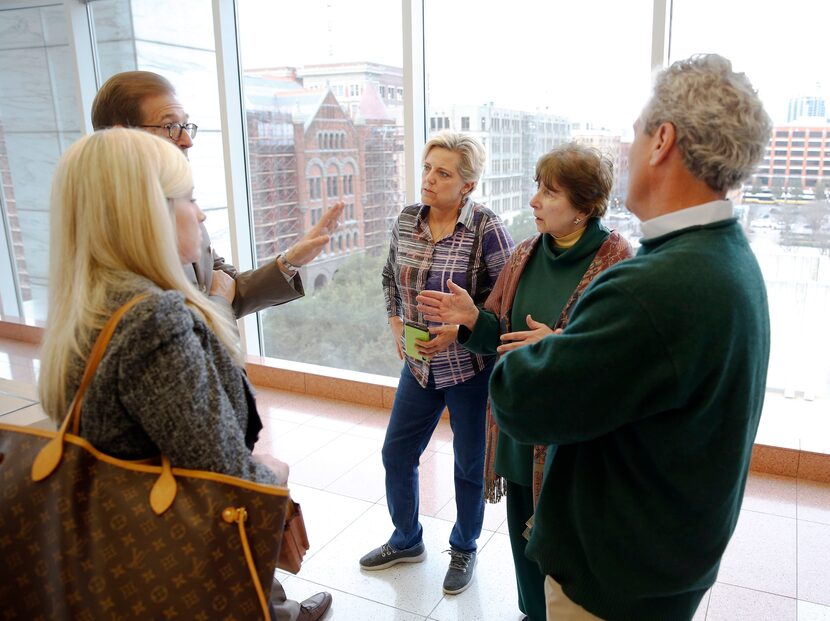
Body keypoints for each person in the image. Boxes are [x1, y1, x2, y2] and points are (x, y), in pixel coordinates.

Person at [487, 54, 772, 620]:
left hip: (612, 585)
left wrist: (547, 348)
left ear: (662, 140)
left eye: (637, 133)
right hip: (664, 566)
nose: (629, 148)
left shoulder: (654, 287)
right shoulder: (730, 258)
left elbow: (519, 397)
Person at [38, 129, 331, 621]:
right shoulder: (154, 317)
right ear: (145, 213)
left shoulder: (87, 304)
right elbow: (224, 476)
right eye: (190, 199)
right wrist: (272, 476)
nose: (200, 214)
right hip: (173, 569)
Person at [417, 143, 633, 620]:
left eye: (549, 192)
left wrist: (557, 345)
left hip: (573, 443)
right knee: (523, 544)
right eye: (538, 188)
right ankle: (530, 612)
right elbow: (499, 334)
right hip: (519, 429)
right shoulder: (523, 255)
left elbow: (621, 363)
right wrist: (474, 319)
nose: (534, 201)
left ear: (584, 206)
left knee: (566, 553)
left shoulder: (618, 262)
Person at [360, 131, 514, 595]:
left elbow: (505, 302)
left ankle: (464, 547)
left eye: (443, 173)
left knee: (469, 467)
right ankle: (406, 539)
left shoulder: (487, 228)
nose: (429, 179)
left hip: (469, 370)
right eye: (427, 167)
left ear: (467, 184)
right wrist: (394, 323)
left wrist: (463, 329)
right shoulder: (409, 219)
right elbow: (390, 276)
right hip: (418, 367)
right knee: (396, 453)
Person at [91, 70, 344, 319]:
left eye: (185, 125)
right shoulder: (109, 235)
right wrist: (219, 301)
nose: (187, 140)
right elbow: (171, 336)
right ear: (121, 137)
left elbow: (229, 286)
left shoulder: (182, 209)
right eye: (170, 126)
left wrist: (291, 260)